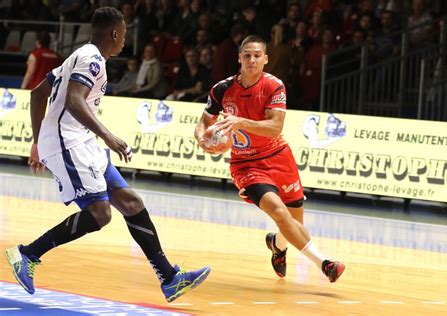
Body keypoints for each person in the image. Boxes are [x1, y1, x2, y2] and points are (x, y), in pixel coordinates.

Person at [5, 7, 210, 303]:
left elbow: (38, 94)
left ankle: (169, 279)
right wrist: (108, 136)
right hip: (68, 141)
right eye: (124, 35)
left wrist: (37, 142)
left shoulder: (80, 55)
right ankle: (27, 255)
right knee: (100, 213)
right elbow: (75, 101)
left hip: (78, 140)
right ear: (114, 34)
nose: (125, 41)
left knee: (131, 202)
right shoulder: (91, 59)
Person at [194, 35, 344, 283]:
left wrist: (240, 121)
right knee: (280, 213)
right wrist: (202, 139)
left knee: (294, 222)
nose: (251, 60)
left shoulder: (275, 86)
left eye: (256, 55)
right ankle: (325, 264)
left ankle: (277, 246)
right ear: (239, 58)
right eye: (247, 55)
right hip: (246, 165)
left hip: (278, 157)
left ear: (266, 59)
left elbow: (275, 127)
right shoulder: (222, 89)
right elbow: (203, 122)